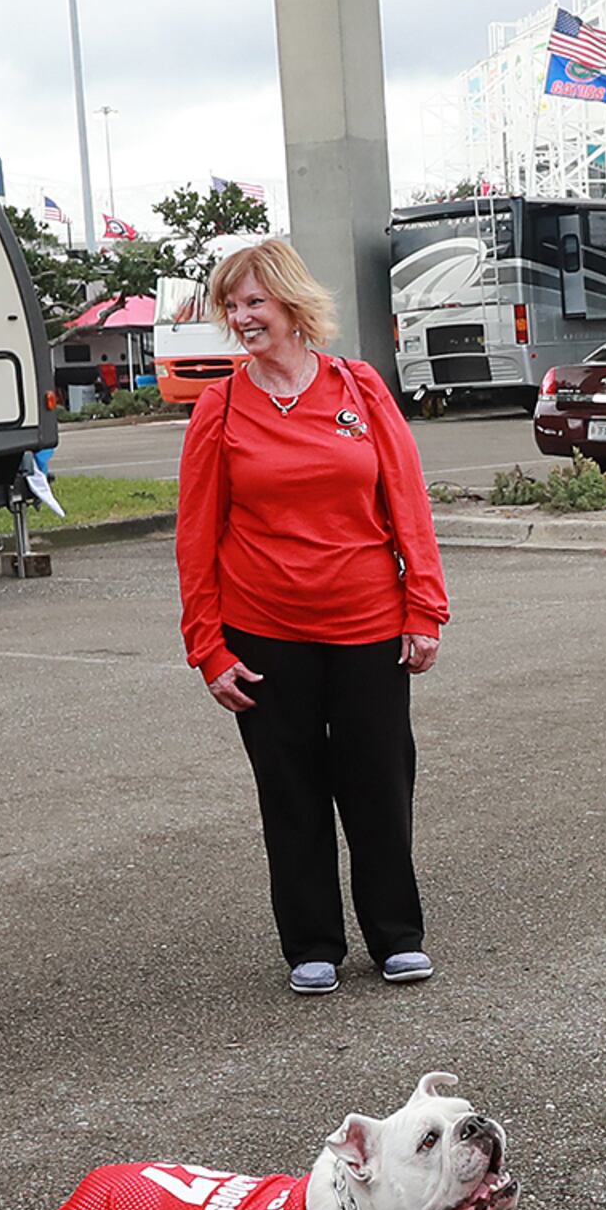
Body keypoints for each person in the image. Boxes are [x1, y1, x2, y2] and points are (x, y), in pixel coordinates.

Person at [174, 236, 449, 997]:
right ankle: (312, 943)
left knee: (379, 785)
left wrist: (425, 608)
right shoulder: (220, 407)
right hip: (263, 631)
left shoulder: (359, 389)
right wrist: (207, 647)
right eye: (232, 305)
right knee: (289, 792)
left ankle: (396, 934)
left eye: (254, 301)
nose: (242, 316)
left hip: (367, 625)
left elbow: (408, 506)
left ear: (294, 304)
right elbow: (196, 537)